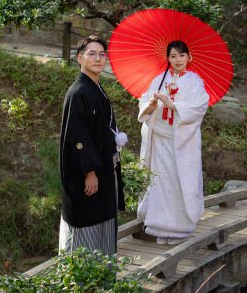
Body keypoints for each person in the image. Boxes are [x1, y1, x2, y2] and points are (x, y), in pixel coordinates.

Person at [59, 35, 126, 256]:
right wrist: (89, 171)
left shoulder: (96, 88)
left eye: (102, 54)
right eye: (91, 54)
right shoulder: (79, 92)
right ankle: (80, 283)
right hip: (90, 174)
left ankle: (101, 280)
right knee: (87, 224)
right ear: (80, 59)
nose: (98, 58)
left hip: (105, 170)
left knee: (103, 222)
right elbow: (78, 137)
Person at [137, 40, 209, 245]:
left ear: (189, 57)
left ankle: (181, 228)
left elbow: (199, 107)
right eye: (173, 56)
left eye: (181, 55)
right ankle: (159, 226)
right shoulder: (159, 80)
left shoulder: (195, 82)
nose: (178, 60)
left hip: (181, 142)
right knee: (159, 182)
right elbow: (143, 103)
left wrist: (173, 105)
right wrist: (151, 106)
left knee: (180, 181)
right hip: (160, 138)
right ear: (167, 59)